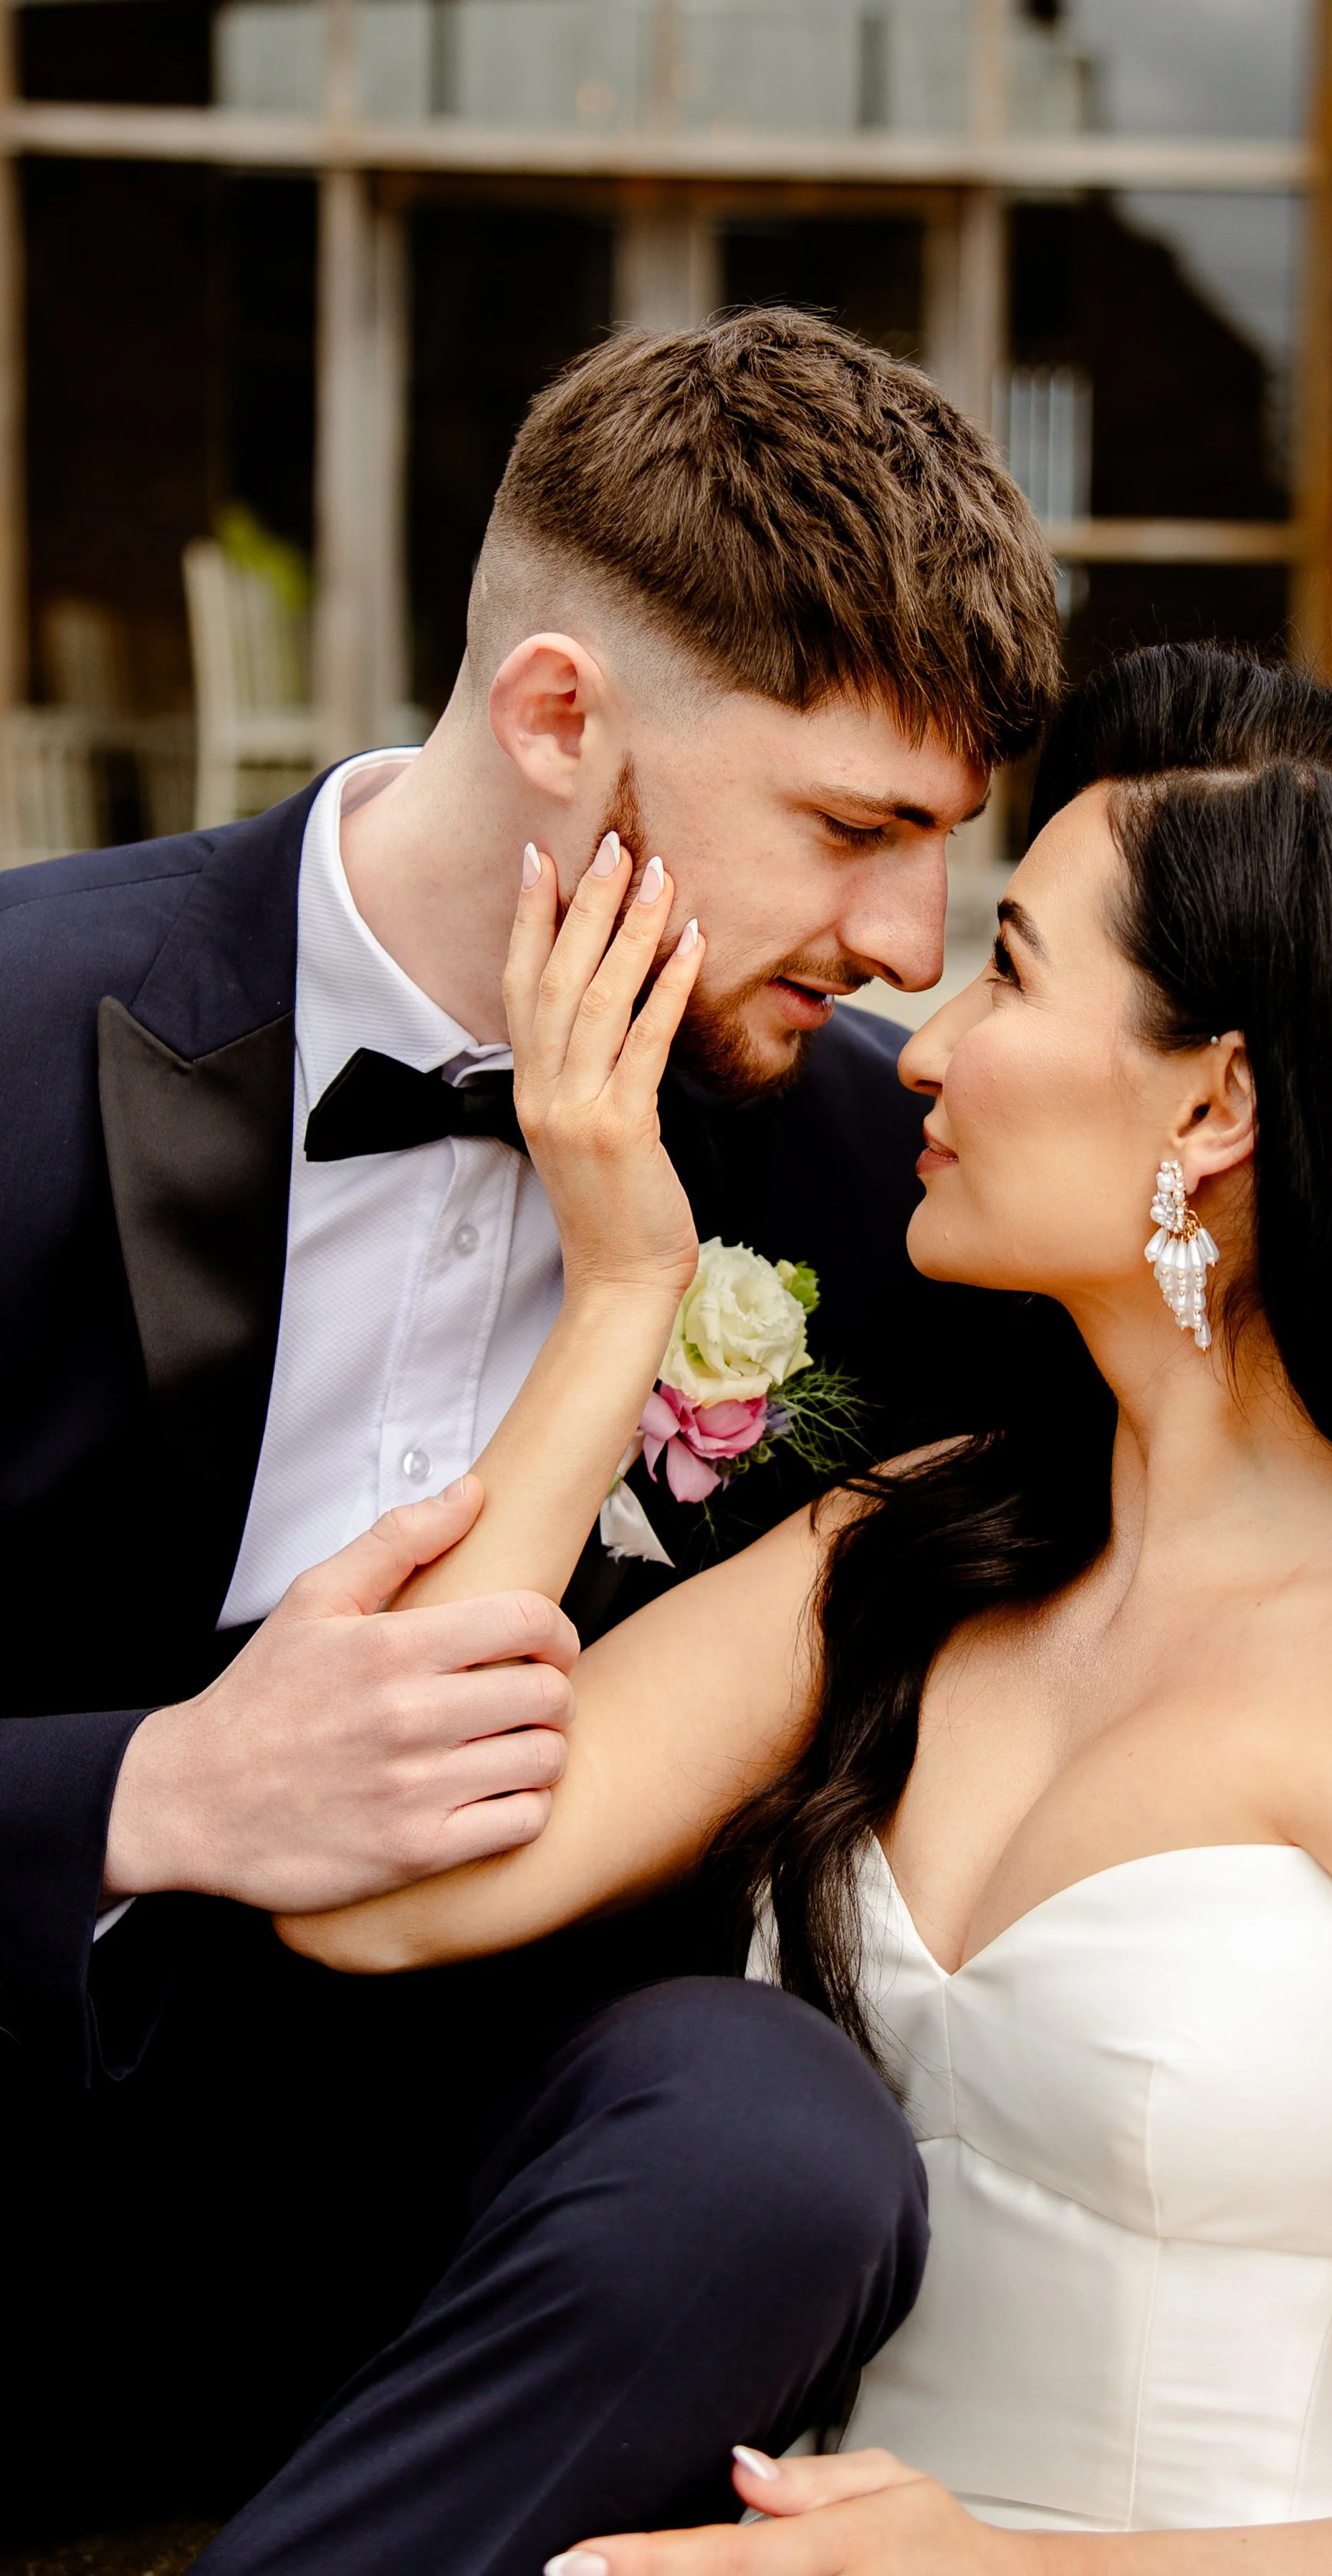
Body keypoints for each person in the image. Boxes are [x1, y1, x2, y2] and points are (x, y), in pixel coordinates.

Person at [289, 644, 1332, 2573]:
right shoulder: (908, 1550)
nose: (930, 1042)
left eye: (1014, 966)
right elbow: (374, 1867)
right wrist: (624, 1281)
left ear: (1212, 1104)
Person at [0, 310, 1060, 2556]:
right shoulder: (4, 1034)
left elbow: (1246, 1518)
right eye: (853, 827)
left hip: (504, 2239)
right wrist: (158, 1788)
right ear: (558, 718)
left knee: (773, 2134)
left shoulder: (895, 1183)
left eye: (946, 846)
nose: (903, 940)